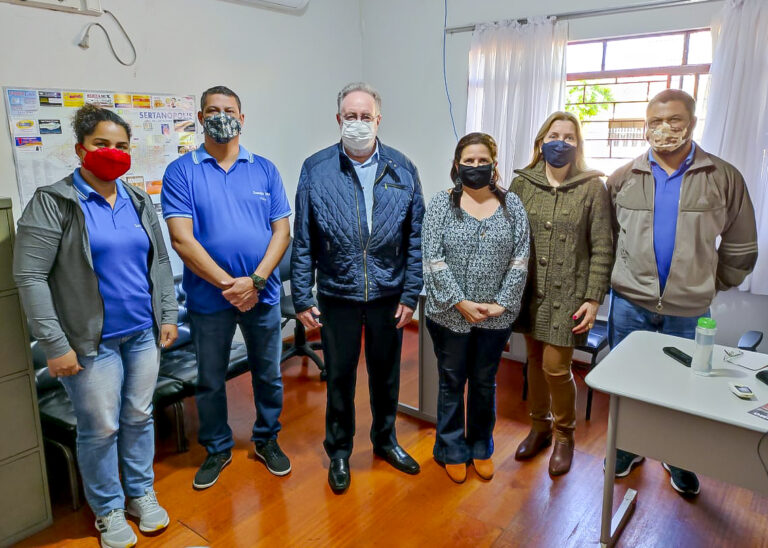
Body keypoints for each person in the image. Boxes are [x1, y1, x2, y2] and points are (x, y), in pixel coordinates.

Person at [13, 105, 178, 548]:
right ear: (80, 149)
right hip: (89, 343)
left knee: (140, 417)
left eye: (122, 146)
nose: (113, 153)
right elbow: (30, 276)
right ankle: (107, 508)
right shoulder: (55, 202)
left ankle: (140, 492)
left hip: (142, 333)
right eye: (102, 144)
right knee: (101, 427)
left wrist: (167, 314)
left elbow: (159, 262)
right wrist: (55, 343)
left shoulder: (137, 199)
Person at [607, 89, 758, 496]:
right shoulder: (623, 177)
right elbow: (607, 239)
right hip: (629, 304)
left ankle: (678, 457)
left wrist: (708, 284)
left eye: (674, 120)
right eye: (655, 121)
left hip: (689, 310)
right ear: (645, 125)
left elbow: (742, 246)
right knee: (630, 382)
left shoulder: (723, 177)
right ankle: (627, 447)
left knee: (685, 386)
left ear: (692, 121)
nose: (664, 129)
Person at [291, 82, 425, 493]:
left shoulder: (402, 168)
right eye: (351, 116)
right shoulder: (316, 168)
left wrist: (409, 294)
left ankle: (385, 442)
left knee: (386, 377)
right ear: (338, 120)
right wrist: (301, 296)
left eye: (366, 116)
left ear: (378, 120)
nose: (359, 123)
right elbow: (303, 239)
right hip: (338, 293)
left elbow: (416, 237)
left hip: (388, 293)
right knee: (340, 379)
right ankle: (340, 452)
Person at [162, 86, 292, 489]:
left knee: (268, 373)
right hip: (208, 298)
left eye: (229, 110)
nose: (222, 116)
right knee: (210, 378)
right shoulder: (181, 171)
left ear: (242, 117)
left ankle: (267, 439)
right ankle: (217, 447)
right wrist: (229, 285)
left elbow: (281, 232)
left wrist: (253, 282)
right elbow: (182, 240)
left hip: (262, 294)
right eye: (213, 111)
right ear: (200, 118)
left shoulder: (265, 169)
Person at [422, 132, 529, 483]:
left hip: (496, 318)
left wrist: (501, 304)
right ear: (457, 165)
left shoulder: (512, 205)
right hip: (449, 313)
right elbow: (433, 258)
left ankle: (481, 445)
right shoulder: (441, 204)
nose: (476, 166)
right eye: (468, 161)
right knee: (452, 381)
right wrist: (460, 301)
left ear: (494, 165)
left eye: (483, 160)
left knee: (484, 382)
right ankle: (451, 448)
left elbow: (520, 258)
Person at [511, 111, 613, 476]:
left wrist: (593, 298)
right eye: (555, 135)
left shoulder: (592, 187)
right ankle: (538, 427)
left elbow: (602, 247)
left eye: (570, 137)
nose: (561, 142)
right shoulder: (522, 184)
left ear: (578, 145)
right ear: (541, 142)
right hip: (528, 292)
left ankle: (564, 436)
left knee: (557, 367)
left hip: (569, 295)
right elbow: (508, 236)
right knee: (533, 362)